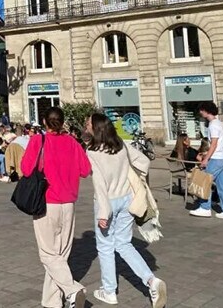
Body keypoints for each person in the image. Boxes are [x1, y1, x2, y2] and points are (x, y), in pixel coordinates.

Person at [85, 113, 167, 307]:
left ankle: (109, 291)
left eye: (88, 123)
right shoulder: (120, 145)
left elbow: (100, 184)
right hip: (127, 198)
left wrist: (103, 213)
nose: (86, 125)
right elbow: (144, 162)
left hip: (108, 201)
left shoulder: (93, 152)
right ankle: (150, 281)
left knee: (105, 247)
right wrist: (135, 176)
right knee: (124, 243)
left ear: (95, 128)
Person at [20, 107, 92, 308]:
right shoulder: (72, 142)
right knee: (61, 254)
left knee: (48, 254)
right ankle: (52, 301)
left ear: (44, 121)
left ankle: (72, 289)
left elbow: (25, 169)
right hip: (68, 203)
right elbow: (86, 170)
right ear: (62, 122)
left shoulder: (38, 141)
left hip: (46, 203)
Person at [190, 101, 223, 220]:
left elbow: (213, 144)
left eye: (201, 110)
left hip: (216, 158)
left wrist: (206, 159)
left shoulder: (213, 125)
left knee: (204, 181)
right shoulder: (219, 123)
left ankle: (205, 208)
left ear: (205, 110)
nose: (200, 112)